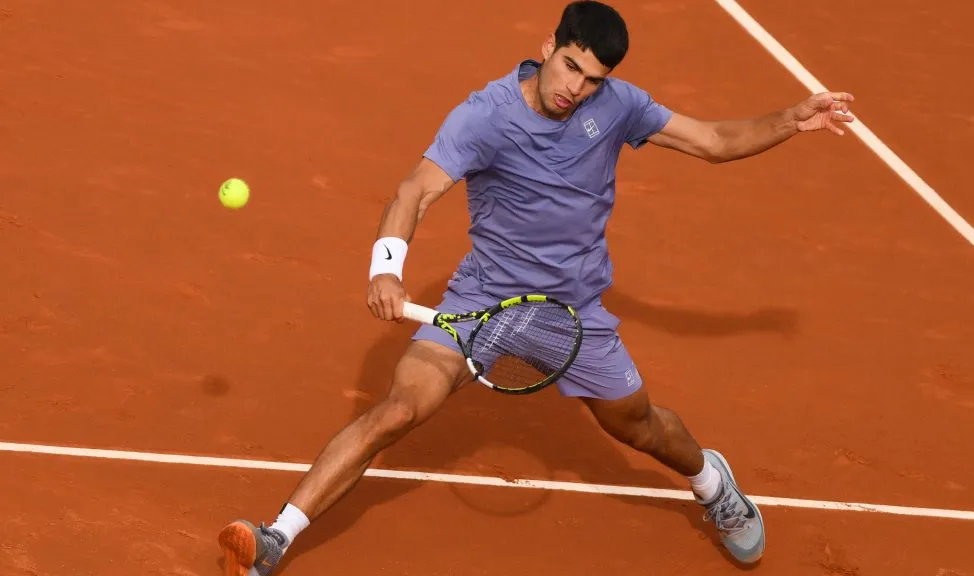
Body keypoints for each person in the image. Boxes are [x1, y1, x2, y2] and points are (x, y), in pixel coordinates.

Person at [217, 1, 855, 573]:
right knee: (398, 411)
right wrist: (386, 266)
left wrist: (789, 119)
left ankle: (713, 485)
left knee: (639, 428)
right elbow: (417, 188)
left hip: (571, 312)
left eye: (592, 79)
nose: (575, 89)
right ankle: (274, 538)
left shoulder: (619, 107)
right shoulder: (485, 116)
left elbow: (714, 141)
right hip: (485, 299)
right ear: (548, 47)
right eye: (571, 67)